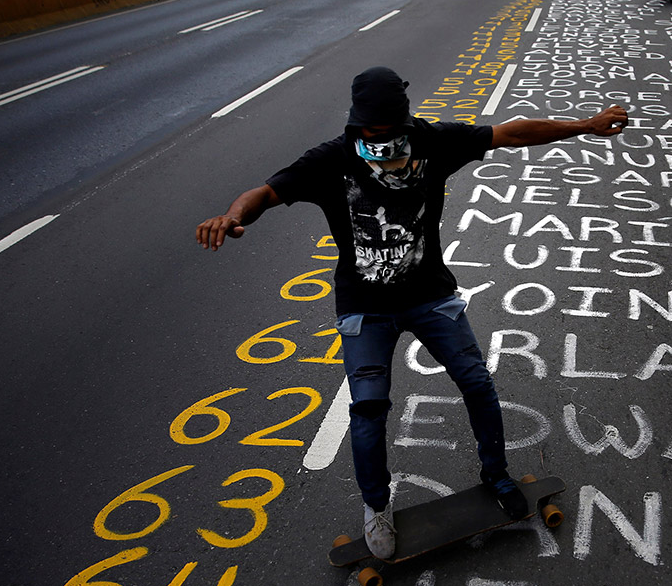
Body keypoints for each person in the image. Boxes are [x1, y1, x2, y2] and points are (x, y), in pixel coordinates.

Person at [196, 67, 628, 559]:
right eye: (372, 133)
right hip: (365, 308)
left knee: (477, 383)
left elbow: (511, 133)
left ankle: (497, 475)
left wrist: (585, 125)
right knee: (368, 409)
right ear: (356, 124)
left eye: (392, 133)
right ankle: (376, 507)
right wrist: (232, 216)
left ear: (406, 120)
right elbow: (267, 193)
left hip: (430, 298)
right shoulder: (332, 159)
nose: (384, 143)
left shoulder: (432, 142)